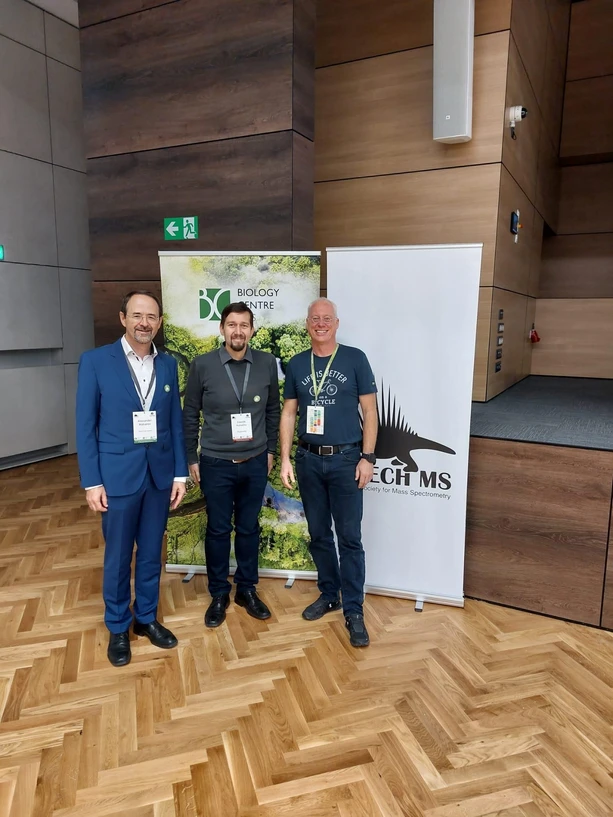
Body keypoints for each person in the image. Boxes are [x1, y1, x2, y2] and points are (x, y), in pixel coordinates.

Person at [76, 291, 188, 667]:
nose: (145, 323)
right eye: (138, 315)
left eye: (152, 317)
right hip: (117, 477)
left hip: (158, 476)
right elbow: (85, 425)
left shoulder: (168, 364)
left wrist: (179, 474)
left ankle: (146, 618)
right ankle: (118, 626)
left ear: (159, 322)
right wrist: (92, 482)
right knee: (118, 556)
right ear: (123, 318)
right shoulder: (95, 362)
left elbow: (174, 422)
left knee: (152, 554)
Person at [280, 298, 377, 648]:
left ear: (337, 323)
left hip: (347, 461)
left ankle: (354, 610)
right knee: (319, 534)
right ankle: (329, 593)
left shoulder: (355, 359)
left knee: (350, 538)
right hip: (308, 460)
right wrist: (287, 458)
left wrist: (368, 458)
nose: (320, 323)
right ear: (307, 323)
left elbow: (370, 411)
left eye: (327, 318)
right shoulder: (295, 364)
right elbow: (289, 413)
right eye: (314, 318)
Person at [183, 302, 280, 628]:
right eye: (232, 325)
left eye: (244, 325)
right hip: (215, 463)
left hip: (254, 462)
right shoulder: (203, 365)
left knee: (250, 527)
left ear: (252, 329)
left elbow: (272, 411)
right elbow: (190, 413)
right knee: (218, 529)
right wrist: (191, 457)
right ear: (222, 329)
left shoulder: (266, 363)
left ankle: (247, 590)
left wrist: (270, 452)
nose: (238, 331)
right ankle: (219, 593)